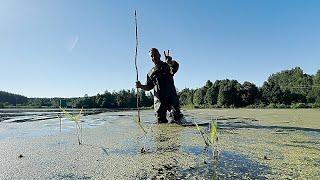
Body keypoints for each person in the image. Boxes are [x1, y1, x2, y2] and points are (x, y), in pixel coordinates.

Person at [136, 48, 183, 123]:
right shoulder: (150, 73)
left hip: (171, 98)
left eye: (155, 55)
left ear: (159, 55)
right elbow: (148, 87)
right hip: (159, 102)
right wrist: (140, 86)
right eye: (152, 56)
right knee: (160, 122)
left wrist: (170, 62)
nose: (154, 57)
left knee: (176, 117)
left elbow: (175, 66)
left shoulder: (167, 65)